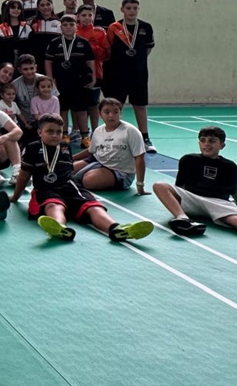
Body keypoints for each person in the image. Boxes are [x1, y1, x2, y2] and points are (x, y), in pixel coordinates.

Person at [10, 114, 153, 243]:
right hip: (46, 189)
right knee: (54, 205)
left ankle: (116, 229)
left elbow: (69, 170)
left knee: (93, 206)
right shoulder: (31, 148)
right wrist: (16, 196)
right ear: (40, 132)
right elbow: (24, 175)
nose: (55, 135)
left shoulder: (65, 147)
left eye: (59, 132)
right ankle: (59, 227)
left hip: (71, 187)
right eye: (50, 131)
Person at [104, 0, 157, 154]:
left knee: (140, 105)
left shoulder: (146, 27)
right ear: (122, 9)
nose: (132, 11)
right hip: (118, 74)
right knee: (115, 106)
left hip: (139, 74)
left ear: (138, 9)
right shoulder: (114, 27)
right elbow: (109, 50)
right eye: (128, 8)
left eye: (135, 8)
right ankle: (113, 137)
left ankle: (145, 138)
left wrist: (137, 62)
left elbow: (148, 49)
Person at [71, 98, 148, 195]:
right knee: (66, 169)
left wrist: (140, 184)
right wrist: (69, 159)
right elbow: (91, 151)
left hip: (120, 171)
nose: (111, 115)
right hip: (98, 161)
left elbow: (139, 157)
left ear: (120, 113)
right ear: (100, 114)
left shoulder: (130, 131)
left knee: (88, 180)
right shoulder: (98, 130)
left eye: (115, 112)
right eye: (107, 112)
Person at [45, 15, 97, 148]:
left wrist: (93, 77)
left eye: (71, 24)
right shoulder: (54, 43)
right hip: (60, 81)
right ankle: (64, 135)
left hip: (79, 82)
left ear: (76, 26)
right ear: (61, 27)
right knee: (62, 109)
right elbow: (48, 62)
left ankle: (85, 136)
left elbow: (90, 61)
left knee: (81, 110)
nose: (68, 27)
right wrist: (50, 79)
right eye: (65, 25)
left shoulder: (83, 42)